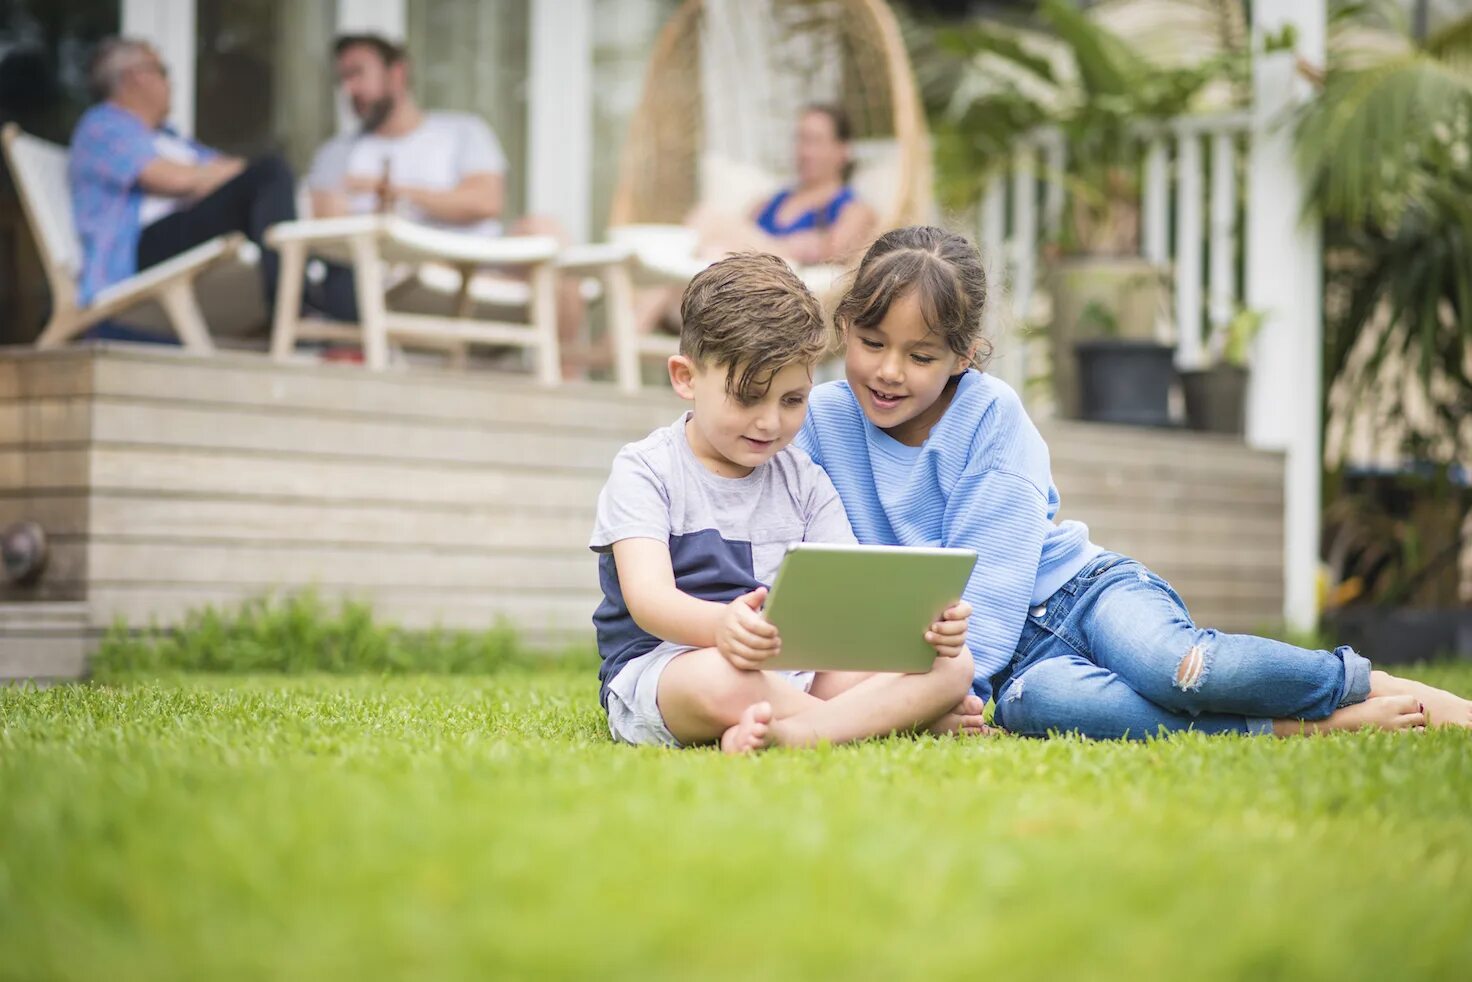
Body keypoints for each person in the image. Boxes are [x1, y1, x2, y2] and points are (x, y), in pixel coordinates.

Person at [796, 225, 1472, 740]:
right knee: (1049, 711)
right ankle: (1309, 728)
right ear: (846, 327)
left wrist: (935, 695)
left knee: (1179, 669)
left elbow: (991, 604)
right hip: (1015, 677)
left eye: (920, 356)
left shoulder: (991, 415)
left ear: (962, 356)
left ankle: (1368, 683)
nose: (888, 372)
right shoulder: (821, 419)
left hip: (1078, 597)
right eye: (872, 344)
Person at [590, 252, 982, 754]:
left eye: (792, 401)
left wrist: (923, 625)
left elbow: (850, 593)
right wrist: (722, 626)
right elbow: (649, 601)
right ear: (686, 377)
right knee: (724, 677)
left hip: (790, 672)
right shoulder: (646, 469)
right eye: (748, 397)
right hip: (672, 670)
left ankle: (802, 731)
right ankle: (882, 722)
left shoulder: (804, 480)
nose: (770, 423)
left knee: (954, 664)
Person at [305, 34, 585, 372]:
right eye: (343, 79)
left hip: (481, 267)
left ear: (397, 74)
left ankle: (566, 376)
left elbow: (486, 201)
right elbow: (328, 232)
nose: (350, 89)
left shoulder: (462, 131)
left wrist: (397, 192)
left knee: (547, 230)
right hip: (396, 281)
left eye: (358, 74)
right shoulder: (337, 153)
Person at [68, 37, 295, 314]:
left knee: (269, 176)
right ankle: (289, 305)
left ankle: (298, 298)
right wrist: (204, 178)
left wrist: (204, 178)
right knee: (269, 173)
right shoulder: (102, 125)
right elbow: (175, 181)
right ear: (135, 77)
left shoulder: (170, 138)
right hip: (141, 251)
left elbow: (234, 171)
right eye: (162, 71)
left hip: (182, 232)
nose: (170, 82)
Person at [635, 106, 879, 337]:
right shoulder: (771, 202)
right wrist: (793, 243)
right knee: (710, 248)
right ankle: (627, 336)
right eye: (800, 139)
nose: (804, 151)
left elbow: (837, 252)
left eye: (814, 141)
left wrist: (790, 248)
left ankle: (623, 338)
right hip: (735, 279)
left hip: (778, 287)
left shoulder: (852, 206)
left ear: (843, 150)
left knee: (707, 218)